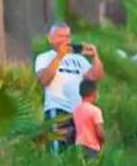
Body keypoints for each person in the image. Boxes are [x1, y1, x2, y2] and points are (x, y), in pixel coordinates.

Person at [35, 24, 105, 153]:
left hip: (79, 111)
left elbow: (96, 76)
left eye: (67, 36)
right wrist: (59, 56)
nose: (64, 40)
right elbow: (44, 80)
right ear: (51, 39)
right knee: (58, 151)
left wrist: (95, 57)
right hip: (58, 109)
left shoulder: (78, 59)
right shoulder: (44, 57)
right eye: (60, 36)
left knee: (78, 152)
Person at [73, 80, 105, 157]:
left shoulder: (76, 110)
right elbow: (99, 131)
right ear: (94, 93)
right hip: (92, 147)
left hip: (79, 145)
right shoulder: (96, 111)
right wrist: (103, 141)